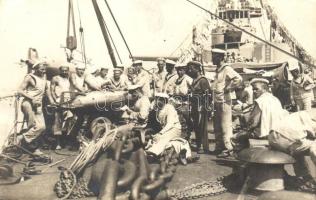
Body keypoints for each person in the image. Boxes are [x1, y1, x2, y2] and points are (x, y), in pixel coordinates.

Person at [232, 78, 288, 150]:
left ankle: (241, 156)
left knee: (234, 137)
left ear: (264, 89)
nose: (254, 91)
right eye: (253, 89)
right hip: (277, 132)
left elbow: (253, 122)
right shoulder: (275, 99)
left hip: (264, 134)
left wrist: (244, 125)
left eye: (256, 89)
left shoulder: (260, 101)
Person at [146, 93, 198, 165]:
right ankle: (185, 153)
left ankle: (153, 152)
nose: (158, 101)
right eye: (157, 99)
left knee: (161, 138)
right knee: (171, 142)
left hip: (174, 129)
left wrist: (161, 133)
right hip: (167, 129)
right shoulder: (158, 109)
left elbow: (170, 124)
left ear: (165, 101)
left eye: (161, 100)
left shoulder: (169, 108)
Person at [269, 109, 316, 186]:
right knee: (311, 145)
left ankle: (305, 178)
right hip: (285, 138)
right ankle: (305, 179)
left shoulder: (308, 112)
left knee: (299, 147)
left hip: (272, 137)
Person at [212, 48, 242, 158]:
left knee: (225, 125)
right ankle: (219, 146)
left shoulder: (226, 69)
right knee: (217, 126)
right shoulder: (218, 70)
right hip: (217, 100)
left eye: (214, 56)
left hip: (225, 100)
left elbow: (238, 79)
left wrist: (228, 88)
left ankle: (228, 149)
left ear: (220, 57)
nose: (212, 58)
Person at [17, 61, 52, 155]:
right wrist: (32, 98)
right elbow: (20, 90)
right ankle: (33, 149)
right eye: (41, 69)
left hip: (38, 105)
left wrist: (52, 102)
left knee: (42, 127)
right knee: (32, 126)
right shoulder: (30, 77)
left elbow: (47, 91)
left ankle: (21, 138)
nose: (43, 71)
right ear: (35, 69)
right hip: (28, 103)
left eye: (44, 69)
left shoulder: (44, 77)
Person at [187, 60, 212, 154]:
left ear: (197, 69)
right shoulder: (194, 80)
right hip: (194, 106)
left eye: (191, 68)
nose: (190, 70)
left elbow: (208, 95)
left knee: (201, 126)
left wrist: (206, 106)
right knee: (196, 126)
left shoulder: (203, 80)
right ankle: (198, 145)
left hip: (201, 106)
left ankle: (202, 146)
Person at [50, 64, 72, 150]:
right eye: (63, 70)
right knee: (57, 122)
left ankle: (65, 142)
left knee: (67, 121)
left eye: (66, 70)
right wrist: (56, 100)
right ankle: (57, 143)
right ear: (60, 70)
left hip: (67, 102)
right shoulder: (55, 78)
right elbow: (51, 91)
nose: (64, 72)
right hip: (59, 102)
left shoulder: (67, 78)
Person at [172, 64, 193, 140]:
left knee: (186, 120)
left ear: (184, 70)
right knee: (179, 120)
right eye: (178, 70)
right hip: (177, 102)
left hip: (185, 103)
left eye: (181, 70)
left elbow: (193, 88)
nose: (179, 72)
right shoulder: (177, 80)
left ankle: (188, 137)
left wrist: (189, 95)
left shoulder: (188, 79)